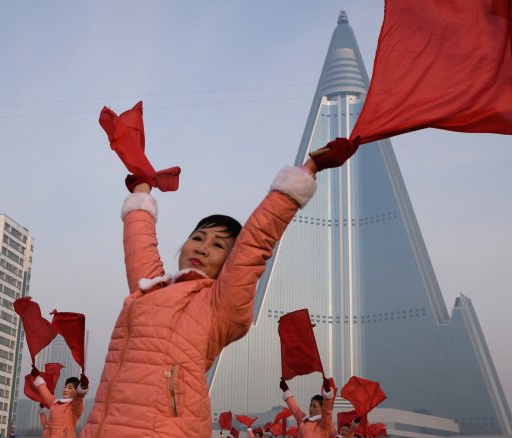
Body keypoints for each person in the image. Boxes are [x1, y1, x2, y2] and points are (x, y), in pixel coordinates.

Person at [80, 138, 359, 437]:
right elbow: (140, 243)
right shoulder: (151, 288)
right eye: (198, 238)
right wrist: (142, 190)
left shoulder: (220, 306)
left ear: (229, 262)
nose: (202, 248)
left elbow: (255, 241)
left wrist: (310, 168)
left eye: (218, 246)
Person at [31, 368, 88, 438]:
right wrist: (37, 377)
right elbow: (45, 393)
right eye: (65, 387)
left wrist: (83, 387)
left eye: (70, 388)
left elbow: (79, 398)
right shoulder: (55, 403)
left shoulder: (74, 407)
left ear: (76, 391)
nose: (65, 389)